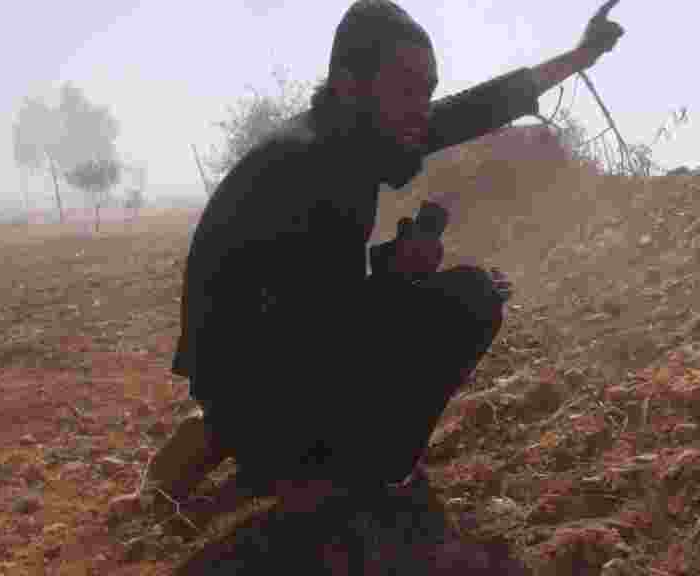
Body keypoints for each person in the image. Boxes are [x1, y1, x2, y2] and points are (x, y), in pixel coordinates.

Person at [119, 0, 624, 516]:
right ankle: (334, 468)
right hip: (265, 382)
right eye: (407, 89)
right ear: (349, 82)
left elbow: (472, 111)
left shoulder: (348, 134)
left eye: (426, 91)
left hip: (251, 373)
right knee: (471, 297)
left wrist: (579, 57)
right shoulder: (312, 167)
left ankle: (227, 432)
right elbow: (325, 325)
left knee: (428, 299)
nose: (422, 108)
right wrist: (397, 271)